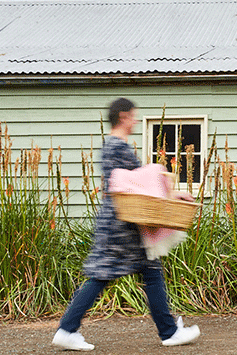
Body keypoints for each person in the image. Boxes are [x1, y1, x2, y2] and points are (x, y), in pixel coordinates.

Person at [52, 98, 200, 351]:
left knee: (122, 275)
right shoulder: (117, 147)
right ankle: (68, 329)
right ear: (123, 117)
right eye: (133, 116)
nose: (136, 121)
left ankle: (68, 329)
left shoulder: (111, 146)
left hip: (118, 224)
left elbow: (138, 185)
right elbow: (138, 185)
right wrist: (168, 190)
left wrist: (174, 195)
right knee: (117, 276)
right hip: (122, 226)